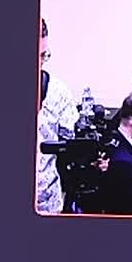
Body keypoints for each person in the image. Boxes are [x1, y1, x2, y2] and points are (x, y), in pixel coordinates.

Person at [35, 18, 79, 214]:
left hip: (47, 205)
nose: (39, 64)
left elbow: (70, 143)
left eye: (43, 56)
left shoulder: (57, 92)